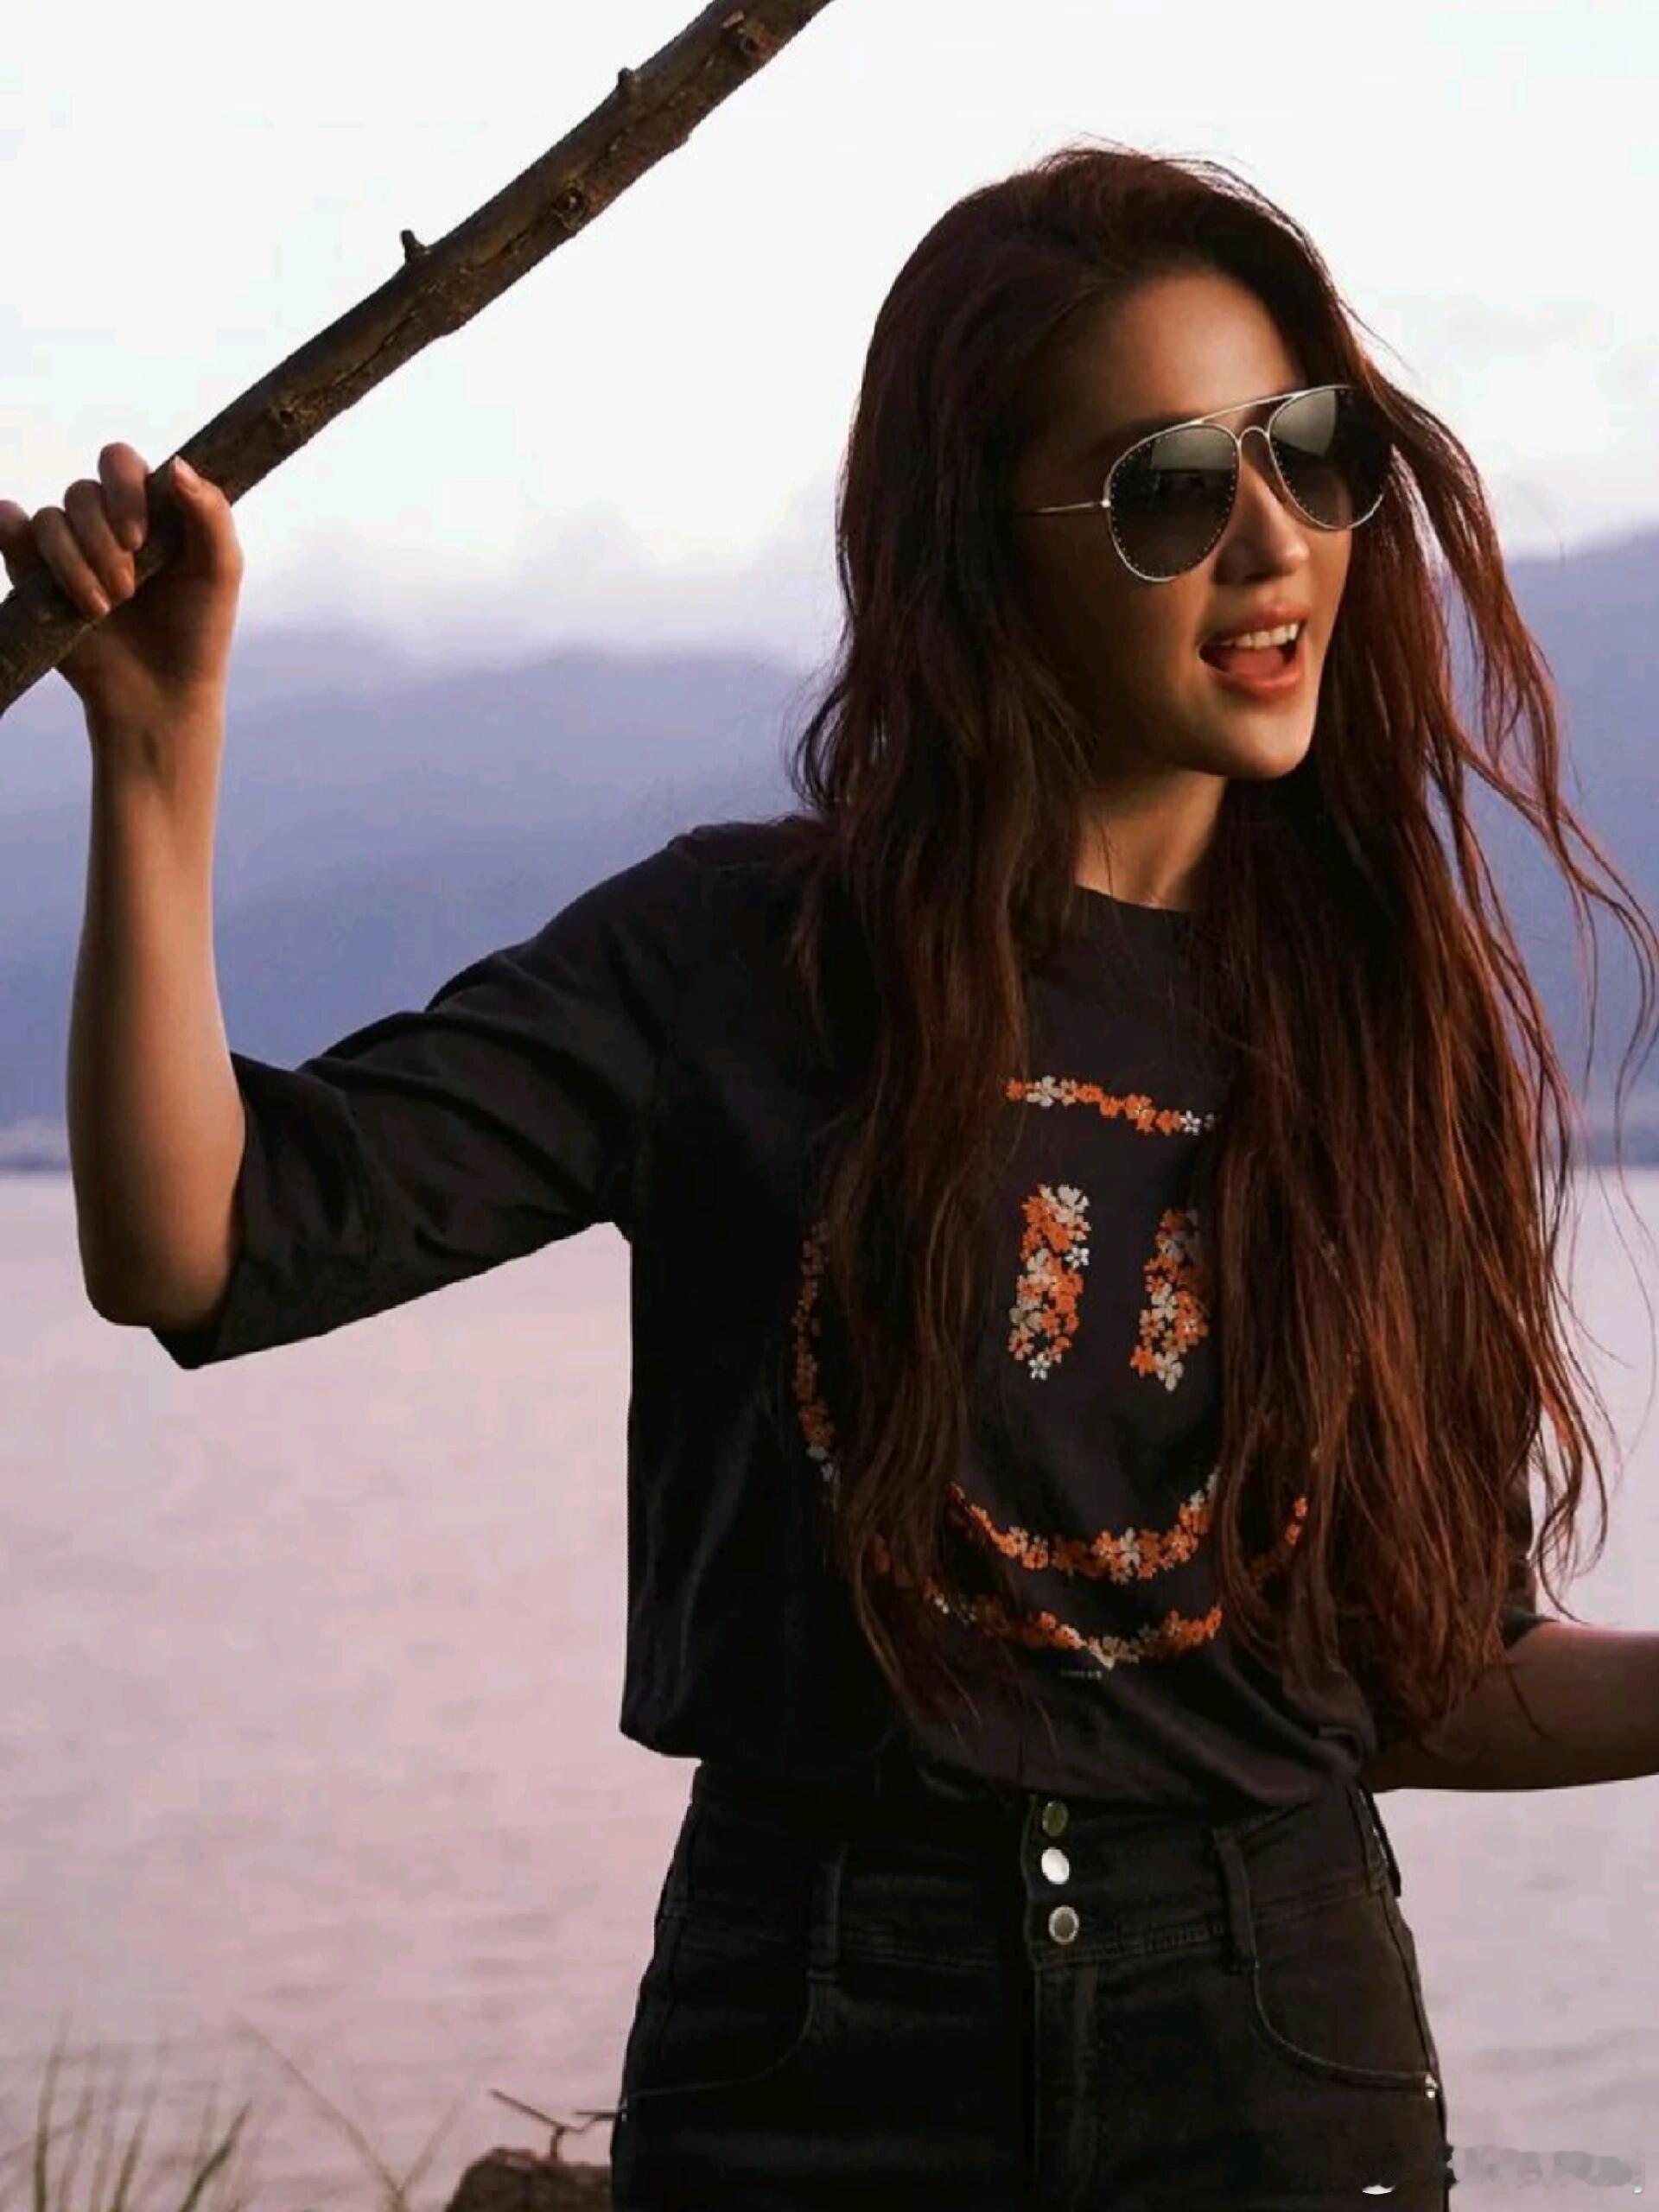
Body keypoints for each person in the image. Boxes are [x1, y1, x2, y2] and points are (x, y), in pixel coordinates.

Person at [7, 138, 1654, 2212]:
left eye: (1308, 452)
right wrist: (158, 752)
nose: (1273, 543)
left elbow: (1412, 1672)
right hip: (814, 2026)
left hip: (1271, 2042)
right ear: (982, 553)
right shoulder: (738, 964)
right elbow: (197, 1241)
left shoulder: (1383, 1039)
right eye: (1166, 488)